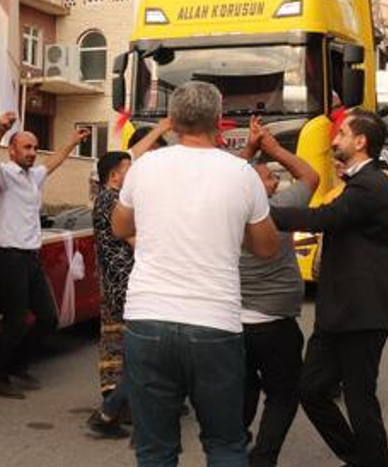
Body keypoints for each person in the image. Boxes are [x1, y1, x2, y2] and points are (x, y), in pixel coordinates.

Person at [111, 81, 279, 466]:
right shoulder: (241, 173)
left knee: (155, 448)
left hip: (148, 318)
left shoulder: (144, 167)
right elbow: (267, 248)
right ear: (218, 121)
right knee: (224, 443)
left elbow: (120, 227)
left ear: (172, 120)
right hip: (214, 322)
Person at [270, 108, 388, 467]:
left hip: (363, 311)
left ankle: (374, 462)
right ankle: (359, 457)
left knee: (360, 397)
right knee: (311, 389)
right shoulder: (361, 181)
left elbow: (324, 219)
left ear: (361, 142)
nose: (334, 140)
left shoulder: (371, 184)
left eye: (342, 134)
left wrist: (264, 211)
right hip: (340, 311)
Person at [0, 115, 90, 399]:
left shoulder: (34, 176)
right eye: (26, 147)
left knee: (47, 318)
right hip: (9, 257)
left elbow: (54, 161)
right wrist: (1, 130)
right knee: (15, 320)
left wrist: (72, 141)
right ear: (13, 150)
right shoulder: (3, 175)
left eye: (34, 147)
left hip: (31, 256)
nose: (31, 152)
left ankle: (19, 366)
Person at [238, 116, 319, 467]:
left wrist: (248, 153)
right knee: (284, 395)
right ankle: (263, 459)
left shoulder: (224, 211)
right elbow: (310, 176)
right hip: (274, 323)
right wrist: (273, 148)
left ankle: (235, 443)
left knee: (242, 387)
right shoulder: (278, 210)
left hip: (232, 323)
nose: (275, 180)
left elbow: (223, 181)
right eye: (270, 176)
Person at [86, 118, 172, 439]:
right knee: (140, 351)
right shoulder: (112, 201)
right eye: (127, 169)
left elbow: (130, 155)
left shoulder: (106, 197)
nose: (132, 172)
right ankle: (116, 409)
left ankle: (119, 408)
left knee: (128, 348)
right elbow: (134, 240)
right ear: (114, 176)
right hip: (126, 286)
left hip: (120, 285)